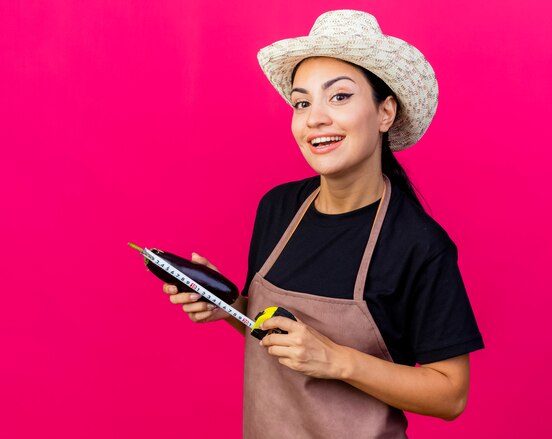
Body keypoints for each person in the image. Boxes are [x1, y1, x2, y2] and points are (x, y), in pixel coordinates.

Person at [163, 10, 484, 438]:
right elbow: (274, 335)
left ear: (385, 112)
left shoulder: (417, 244)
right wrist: (225, 305)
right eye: (302, 102)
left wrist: (336, 359)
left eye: (339, 97)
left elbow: (450, 395)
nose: (315, 118)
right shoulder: (278, 209)